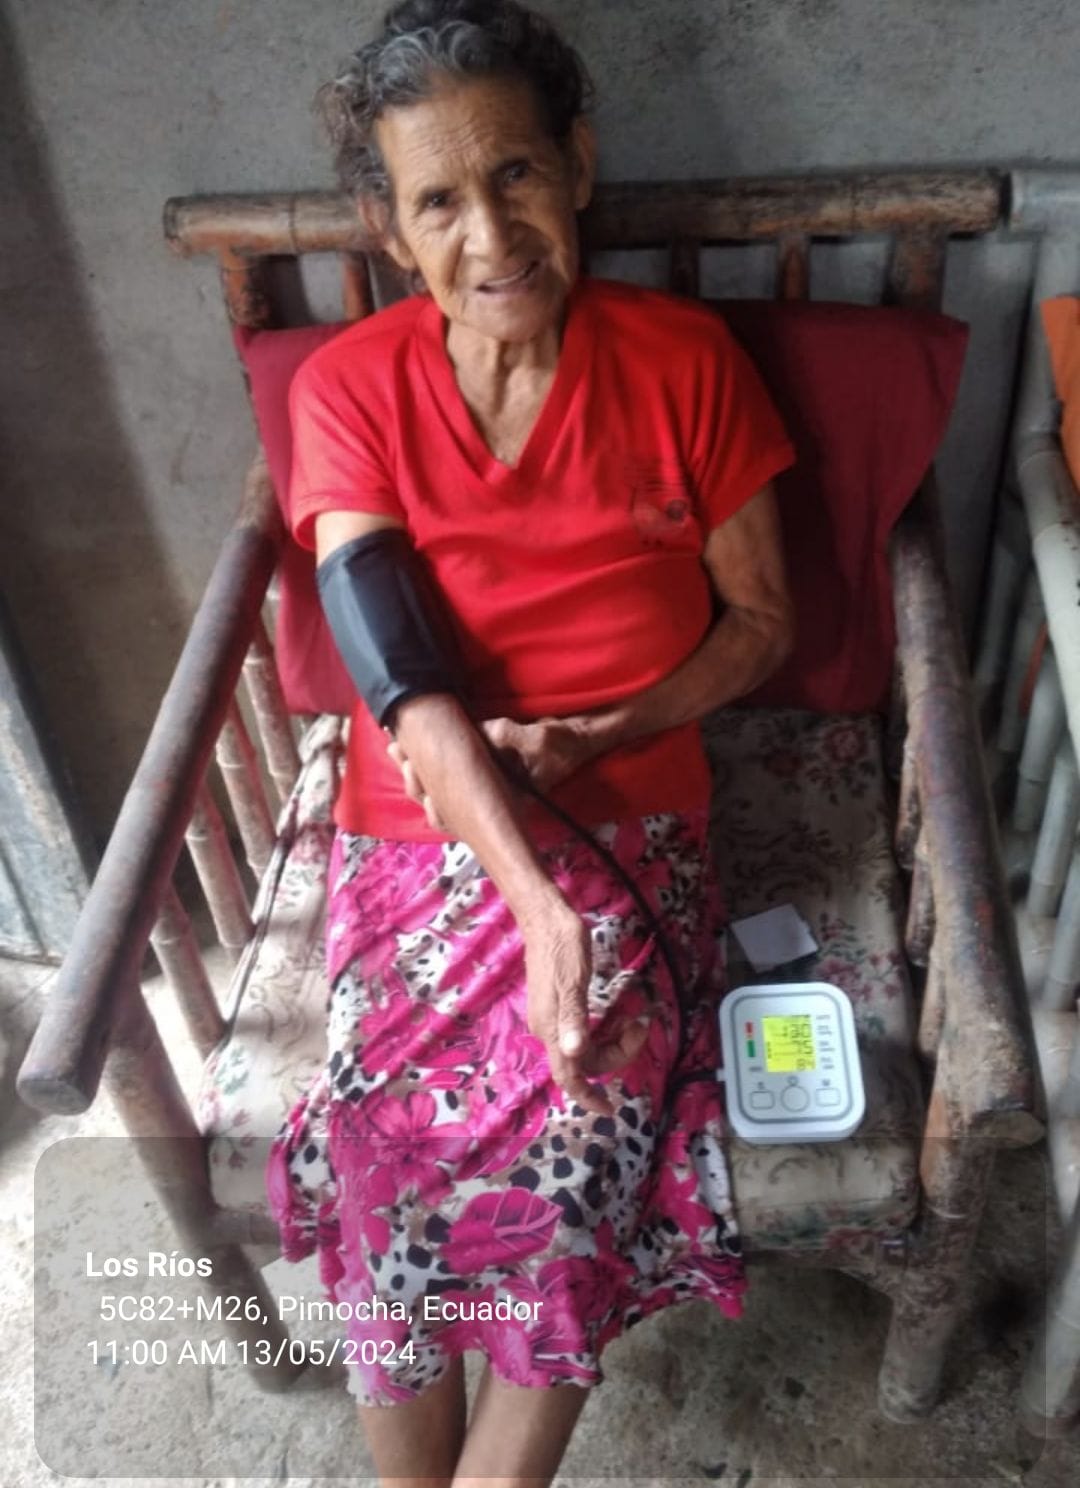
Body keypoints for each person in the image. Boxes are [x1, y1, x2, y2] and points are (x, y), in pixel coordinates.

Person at [266, 1, 796, 1482]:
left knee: (572, 1171)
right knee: (384, 1167)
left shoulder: (686, 363)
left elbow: (762, 624)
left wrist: (601, 733)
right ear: (391, 228)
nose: (490, 234)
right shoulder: (345, 391)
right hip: (419, 822)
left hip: (629, 815)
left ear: (579, 167)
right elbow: (399, 672)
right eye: (438, 199)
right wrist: (534, 900)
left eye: (516, 174)